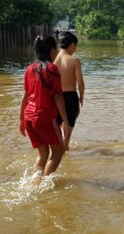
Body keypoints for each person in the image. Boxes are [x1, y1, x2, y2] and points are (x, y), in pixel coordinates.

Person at [19, 35, 69, 176]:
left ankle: (34, 183)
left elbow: (25, 96)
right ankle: (44, 187)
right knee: (59, 151)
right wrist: (65, 121)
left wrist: (21, 120)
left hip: (29, 118)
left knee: (43, 155)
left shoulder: (30, 69)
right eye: (56, 49)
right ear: (52, 51)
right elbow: (58, 97)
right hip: (44, 117)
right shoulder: (52, 69)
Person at [54, 31, 85, 151]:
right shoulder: (74, 60)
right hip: (70, 97)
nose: (75, 49)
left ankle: (57, 155)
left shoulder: (53, 60)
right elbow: (80, 83)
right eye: (76, 46)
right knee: (67, 134)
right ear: (72, 45)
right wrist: (81, 97)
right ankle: (65, 154)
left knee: (58, 129)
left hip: (55, 97)